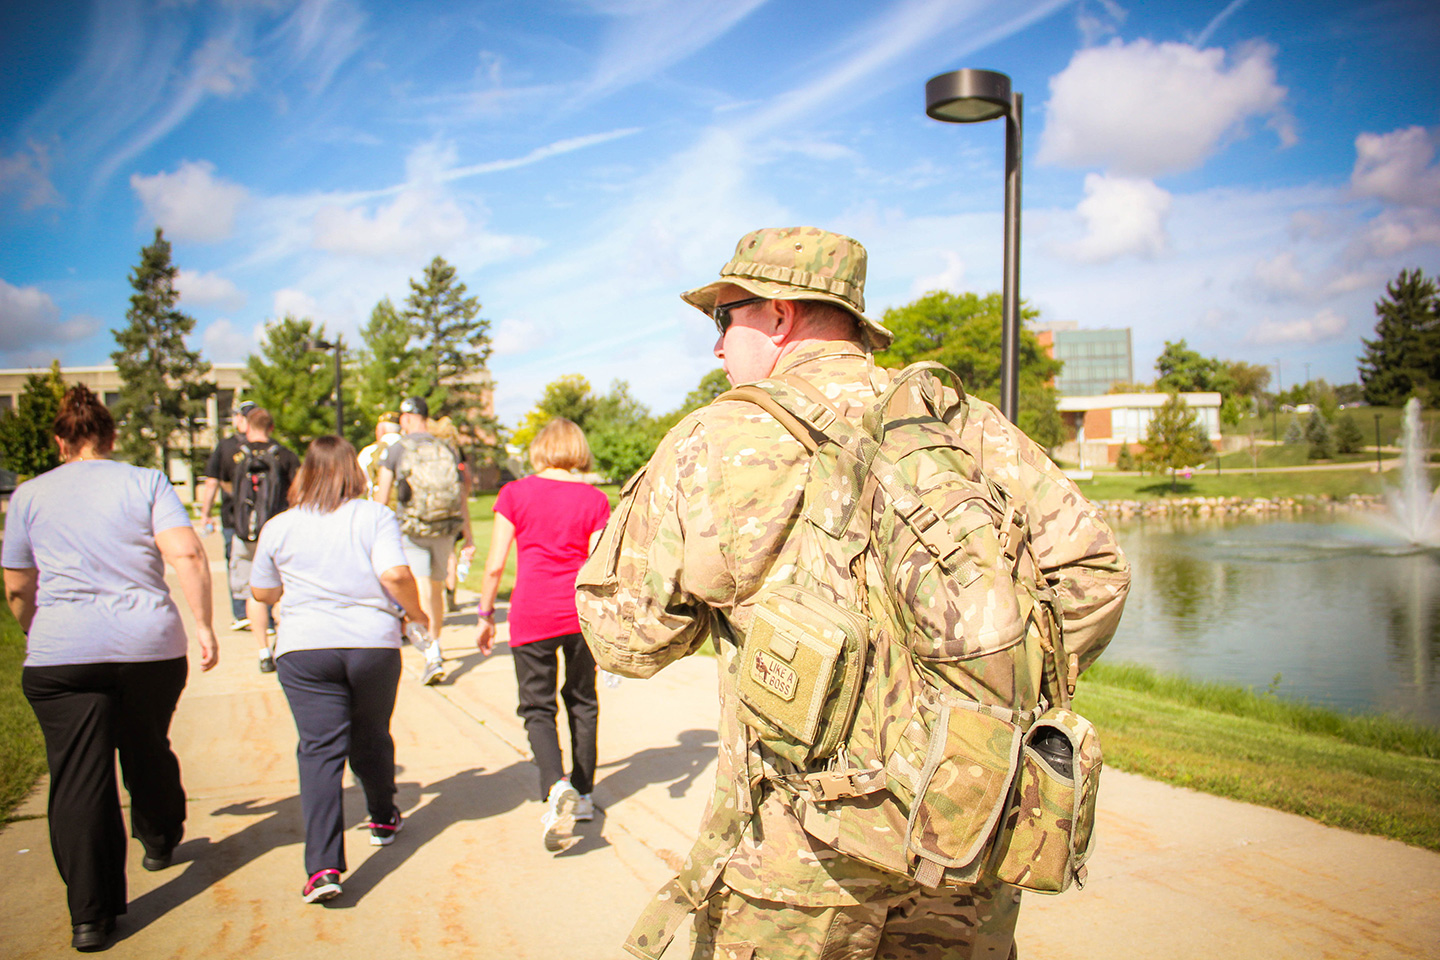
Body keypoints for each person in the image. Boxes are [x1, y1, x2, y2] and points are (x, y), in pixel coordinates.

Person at [576, 227, 1131, 959]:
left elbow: (626, 638)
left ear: (779, 315)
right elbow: (1093, 576)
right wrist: (965, 698)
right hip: (962, 831)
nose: (717, 347)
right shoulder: (959, 420)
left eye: (724, 318)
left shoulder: (712, 437)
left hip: (796, 859)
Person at [2, 385, 219, 953]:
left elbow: (18, 585)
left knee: (78, 776)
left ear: (60, 441)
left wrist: (34, 630)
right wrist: (203, 624)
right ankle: (159, 837)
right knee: (146, 743)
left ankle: (91, 916)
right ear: (112, 437)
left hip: (62, 651)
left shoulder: (29, 494)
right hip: (146, 644)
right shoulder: (145, 481)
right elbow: (188, 555)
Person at [248, 435, 429, 904]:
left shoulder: (280, 526)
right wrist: (418, 614)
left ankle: (323, 868)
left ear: (305, 473)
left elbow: (262, 593)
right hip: (371, 643)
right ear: (356, 471)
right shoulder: (374, 516)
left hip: (305, 648)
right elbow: (393, 574)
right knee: (371, 733)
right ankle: (384, 816)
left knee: (320, 750)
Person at [475, 418, 611, 851]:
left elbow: (495, 563)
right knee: (582, 702)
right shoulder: (594, 499)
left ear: (539, 450)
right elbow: (600, 565)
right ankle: (585, 793)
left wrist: (483, 612)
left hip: (531, 612)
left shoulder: (514, 494)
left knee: (537, 705)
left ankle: (555, 785)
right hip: (578, 614)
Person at [373, 396, 474, 686]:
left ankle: (431, 651)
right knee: (436, 589)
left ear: (405, 419)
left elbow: (382, 497)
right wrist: (467, 532)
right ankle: (436, 643)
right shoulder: (446, 448)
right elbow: (460, 494)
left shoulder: (395, 449)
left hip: (413, 529)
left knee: (421, 588)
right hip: (444, 527)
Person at [224, 407, 299, 673]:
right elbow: (298, 492)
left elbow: (221, 484)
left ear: (246, 425)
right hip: (278, 532)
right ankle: (281, 640)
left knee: (253, 592)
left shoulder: (233, 454)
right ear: (271, 427)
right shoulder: (285, 455)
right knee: (281, 589)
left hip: (244, 532)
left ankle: (262, 651)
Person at [197, 399, 256, 629]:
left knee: (235, 561)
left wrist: (205, 513)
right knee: (264, 561)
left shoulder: (227, 446)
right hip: (265, 517)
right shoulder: (271, 447)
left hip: (233, 516)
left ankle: (242, 613)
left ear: (242, 419)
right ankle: (266, 614)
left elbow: (212, 482)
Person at [357, 412, 402, 507]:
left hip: (378, 509)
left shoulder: (369, 451)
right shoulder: (413, 449)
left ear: (381, 430)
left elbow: (360, 484)